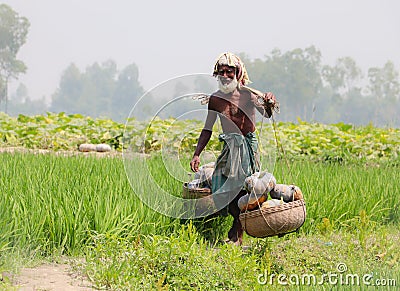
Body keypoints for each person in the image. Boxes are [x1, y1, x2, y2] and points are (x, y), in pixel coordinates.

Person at [190, 52, 277, 245]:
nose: (225, 75)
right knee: (222, 189)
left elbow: (266, 113)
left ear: (238, 73)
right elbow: (207, 129)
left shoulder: (247, 94)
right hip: (229, 147)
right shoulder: (215, 99)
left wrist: (269, 101)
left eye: (230, 71)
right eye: (221, 72)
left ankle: (236, 234)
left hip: (246, 146)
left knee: (242, 188)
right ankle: (235, 228)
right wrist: (197, 154)